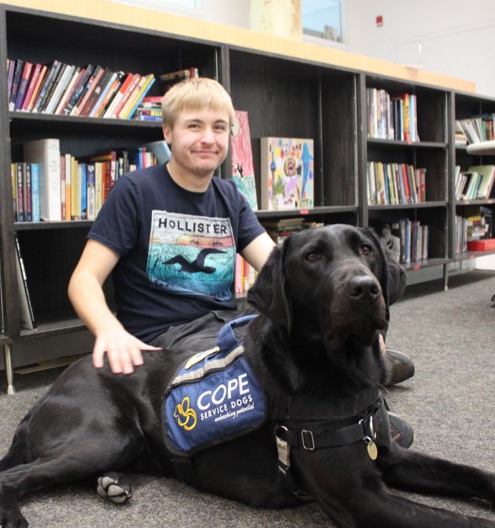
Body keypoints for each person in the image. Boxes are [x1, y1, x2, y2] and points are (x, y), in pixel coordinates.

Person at [68, 77, 414, 390]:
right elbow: (84, 278)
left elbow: (280, 264)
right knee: (277, 370)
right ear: (168, 132)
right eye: (194, 126)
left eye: (219, 128)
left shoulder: (230, 196)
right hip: (167, 341)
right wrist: (109, 330)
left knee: (300, 341)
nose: (208, 138)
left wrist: (344, 312)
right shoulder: (135, 191)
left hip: (229, 326)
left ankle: (356, 373)